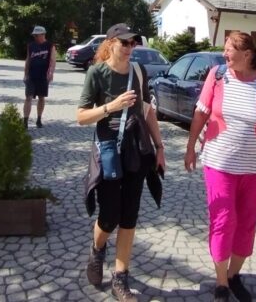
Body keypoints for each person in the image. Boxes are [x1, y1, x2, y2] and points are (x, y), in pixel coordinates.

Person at [184, 31, 256, 302]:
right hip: (218, 163)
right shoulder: (217, 75)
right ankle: (221, 283)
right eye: (224, 49)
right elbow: (201, 112)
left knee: (246, 223)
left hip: (254, 166)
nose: (224, 54)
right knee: (223, 220)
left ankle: (233, 276)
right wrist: (190, 148)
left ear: (247, 54)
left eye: (229, 49)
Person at [78, 23, 166, 302]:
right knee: (109, 216)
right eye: (124, 43)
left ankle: (120, 277)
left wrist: (160, 146)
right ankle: (97, 248)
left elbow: (147, 111)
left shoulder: (139, 72)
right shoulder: (97, 73)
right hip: (107, 151)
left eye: (133, 43)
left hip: (136, 151)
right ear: (111, 43)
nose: (130, 48)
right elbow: (80, 116)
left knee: (129, 218)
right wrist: (111, 107)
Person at [23, 25, 55, 128]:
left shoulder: (50, 46)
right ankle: (25, 121)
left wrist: (51, 73)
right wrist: (25, 74)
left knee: (41, 98)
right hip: (31, 75)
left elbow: (53, 60)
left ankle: (39, 119)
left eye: (37, 35)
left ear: (43, 34)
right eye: (34, 35)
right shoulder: (31, 45)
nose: (35, 37)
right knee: (28, 97)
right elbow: (28, 60)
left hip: (43, 76)